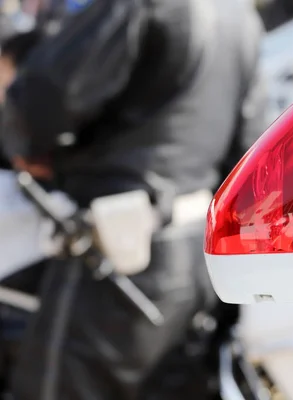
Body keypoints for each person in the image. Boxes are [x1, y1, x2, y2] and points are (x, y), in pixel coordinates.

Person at [0, 0, 267, 399]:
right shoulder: (239, 14)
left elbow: (42, 101)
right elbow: (251, 154)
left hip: (114, 261)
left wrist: (29, 148)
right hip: (198, 260)